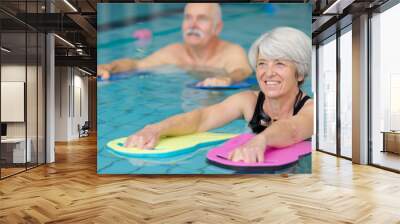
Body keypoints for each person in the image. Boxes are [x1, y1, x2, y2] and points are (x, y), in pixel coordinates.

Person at [124, 27, 313, 163]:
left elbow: (293, 130)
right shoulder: (249, 102)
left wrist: (260, 140)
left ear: (300, 73)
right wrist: (156, 129)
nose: (268, 72)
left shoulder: (311, 109)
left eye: (280, 64)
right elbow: (201, 118)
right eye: (262, 63)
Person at [97, 3, 252, 87]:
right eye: (188, 18)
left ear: (217, 28)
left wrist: (227, 79)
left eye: (202, 19)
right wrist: (109, 67)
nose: (193, 25)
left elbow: (242, 71)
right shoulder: (174, 52)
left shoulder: (231, 52)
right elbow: (136, 64)